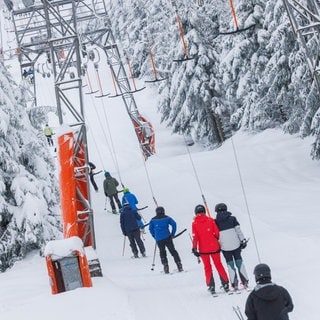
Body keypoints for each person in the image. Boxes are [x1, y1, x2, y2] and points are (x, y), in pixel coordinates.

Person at [191, 204, 230, 295]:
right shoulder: (211, 220)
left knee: (207, 267)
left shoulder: (194, 223)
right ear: (204, 211)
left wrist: (194, 248)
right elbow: (216, 233)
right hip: (214, 247)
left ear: (196, 213)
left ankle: (211, 286)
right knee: (218, 265)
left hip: (203, 249)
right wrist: (214, 239)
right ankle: (225, 284)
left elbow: (195, 237)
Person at [214, 202, 249, 291]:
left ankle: (234, 283)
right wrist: (243, 240)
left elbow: (216, 235)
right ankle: (244, 281)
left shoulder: (215, 222)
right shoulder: (233, 219)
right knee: (239, 262)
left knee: (230, 265)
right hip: (236, 245)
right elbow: (238, 230)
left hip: (225, 247)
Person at [149, 206, 183, 274]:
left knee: (162, 252)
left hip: (159, 238)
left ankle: (165, 266)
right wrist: (172, 233)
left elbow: (150, 229)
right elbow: (174, 224)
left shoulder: (153, 220)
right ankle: (179, 264)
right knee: (173, 251)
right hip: (167, 237)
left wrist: (154, 235)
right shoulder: (167, 218)